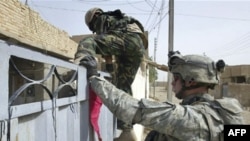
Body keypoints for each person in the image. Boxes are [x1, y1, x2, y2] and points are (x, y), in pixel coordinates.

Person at [79, 51, 245, 141]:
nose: (172, 83)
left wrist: (94, 78)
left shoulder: (187, 118)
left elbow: (131, 108)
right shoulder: (226, 113)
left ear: (191, 82)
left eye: (176, 78)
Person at [74, 8, 147, 141]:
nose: (95, 30)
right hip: (138, 47)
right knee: (122, 86)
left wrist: (87, 59)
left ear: (94, 17)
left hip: (126, 40)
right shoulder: (117, 21)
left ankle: (81, 61)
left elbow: (100, 41)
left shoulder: (102, 18)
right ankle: (127, 131)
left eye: (93, 27)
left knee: (88, 41)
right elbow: (112, 73)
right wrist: (108, 62)